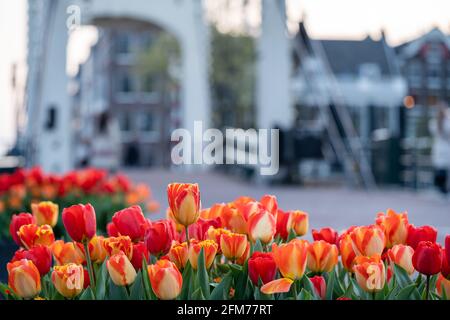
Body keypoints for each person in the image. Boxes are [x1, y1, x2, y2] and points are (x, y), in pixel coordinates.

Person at [429, 102, 450, 196]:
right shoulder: (446, 122)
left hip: (440, 149)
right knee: (444, 170)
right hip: (445, 148)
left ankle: (441, 189)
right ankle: (443, 189)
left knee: (440, 170)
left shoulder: (434, 122)